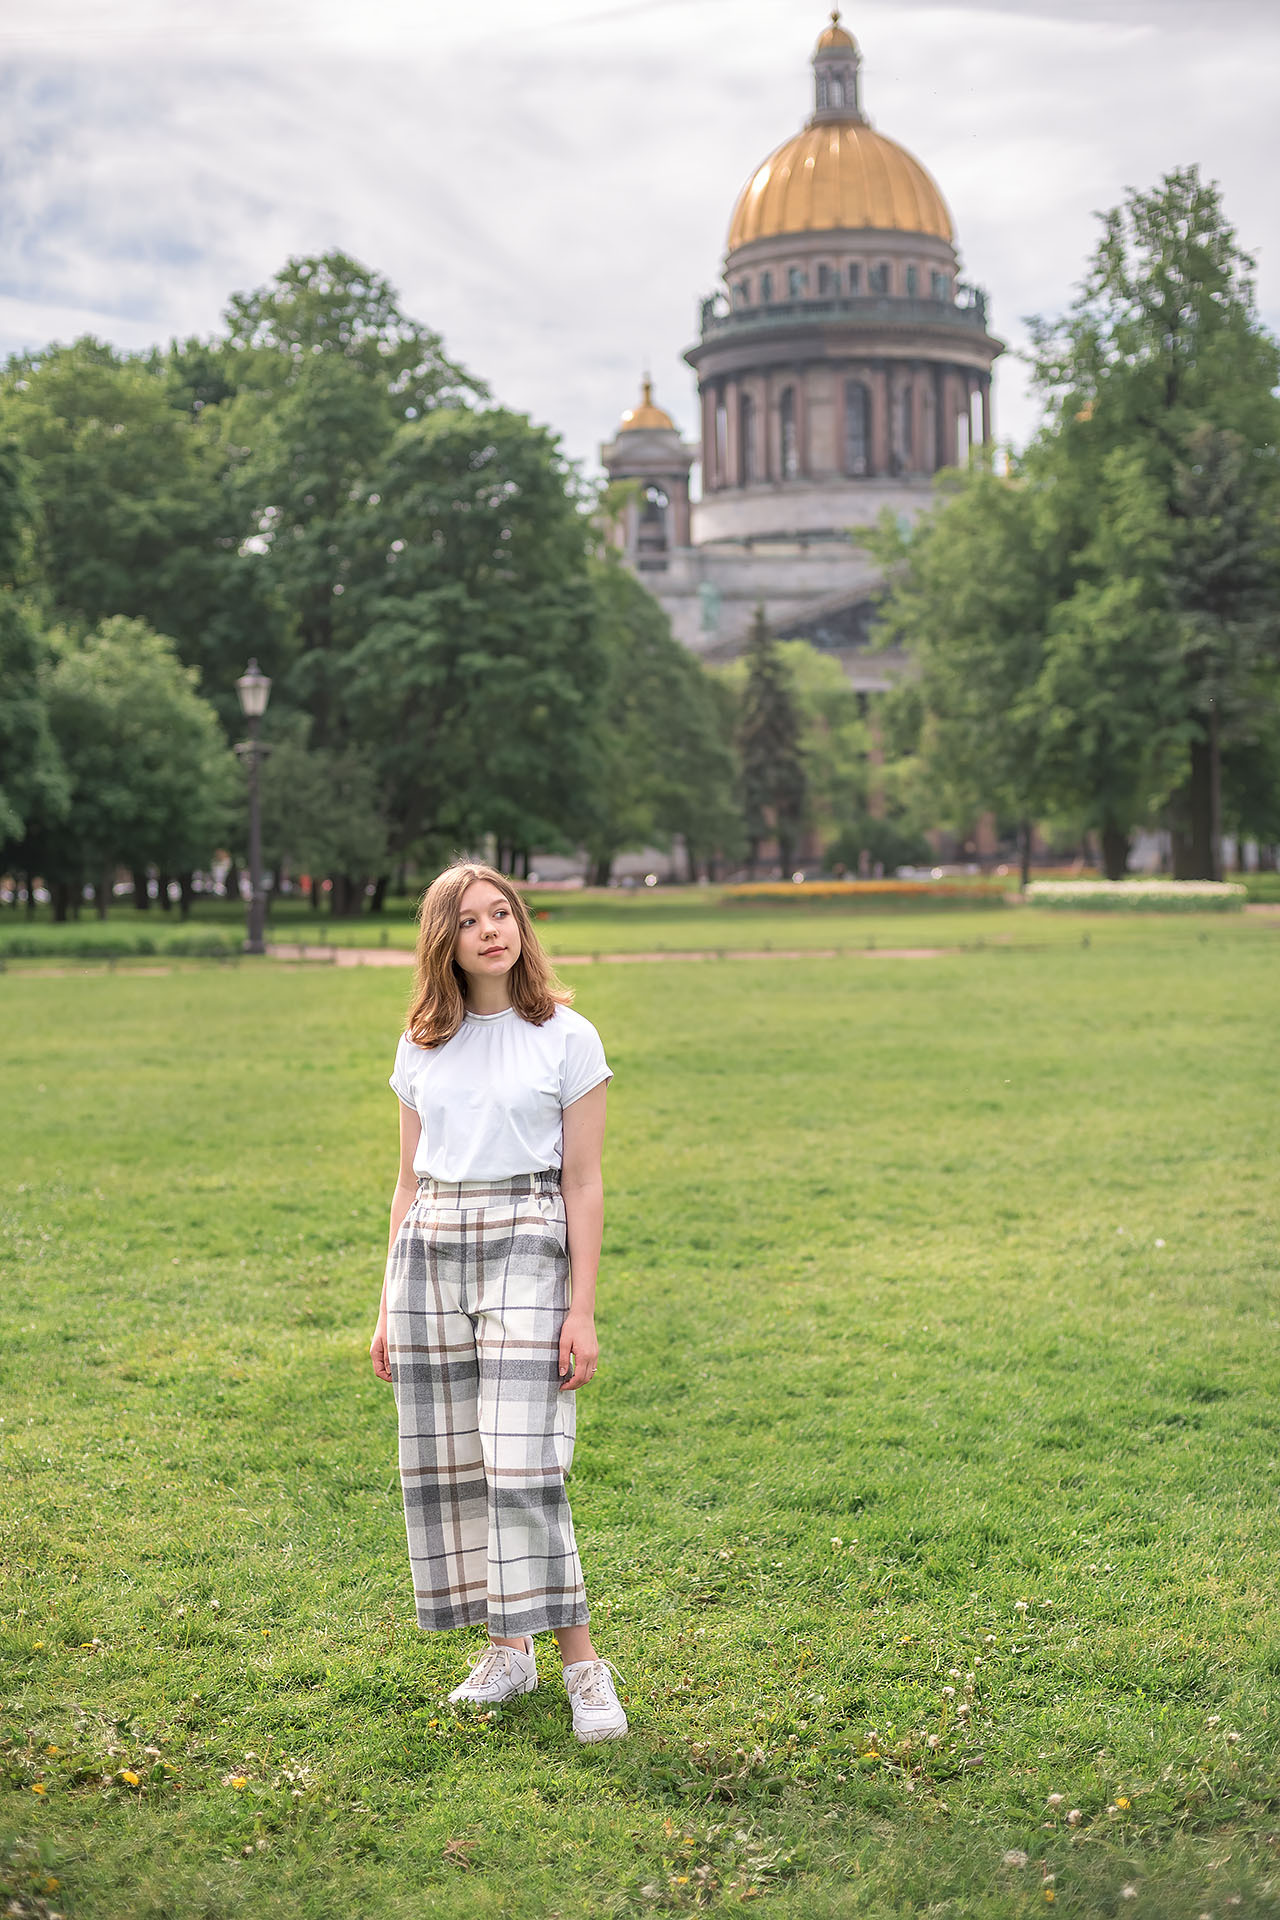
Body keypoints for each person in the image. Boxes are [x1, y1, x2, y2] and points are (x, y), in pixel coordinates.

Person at [369, 861, 628, 1743]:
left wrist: (581, 1309)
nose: (493, 929)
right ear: (446, 939)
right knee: (452, 1466)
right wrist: (383, 1303)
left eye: (504, 912)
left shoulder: (566, 1036)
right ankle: (505, 1652)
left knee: (524, 1463)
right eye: (472, 919)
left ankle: (583, 1669)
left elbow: (586, 1183)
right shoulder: (421, 1043)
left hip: (528, 1236)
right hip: (433, 1246)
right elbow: (406, 1180)